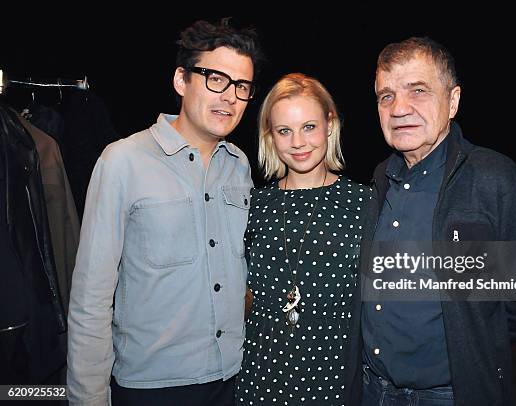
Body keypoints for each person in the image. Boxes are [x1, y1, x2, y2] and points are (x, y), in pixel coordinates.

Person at [67, 19, 263, 406]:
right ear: (181, 80)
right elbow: (91, 297)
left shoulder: (239, 165)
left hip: (234, 378)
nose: (229, 97)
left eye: (242, 87)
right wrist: (87, 398)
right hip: (151, 390)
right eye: (216, 79)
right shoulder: (123, 161)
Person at [361, 37, 516, 405]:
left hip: (450, 395)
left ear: (453, 101)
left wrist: (474, 336)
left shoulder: (497, 180)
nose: (399, 108)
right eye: (386, 96)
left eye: (417, 90)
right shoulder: (380, 178)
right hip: (373, 390)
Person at [235, 73, 375, 406]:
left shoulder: (365, 203)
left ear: (330, 124)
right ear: (270, 136)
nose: (298, 142)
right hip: (259, 378)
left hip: (335, 379)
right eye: (285, 131)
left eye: (309, 127)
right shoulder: (253, 204)